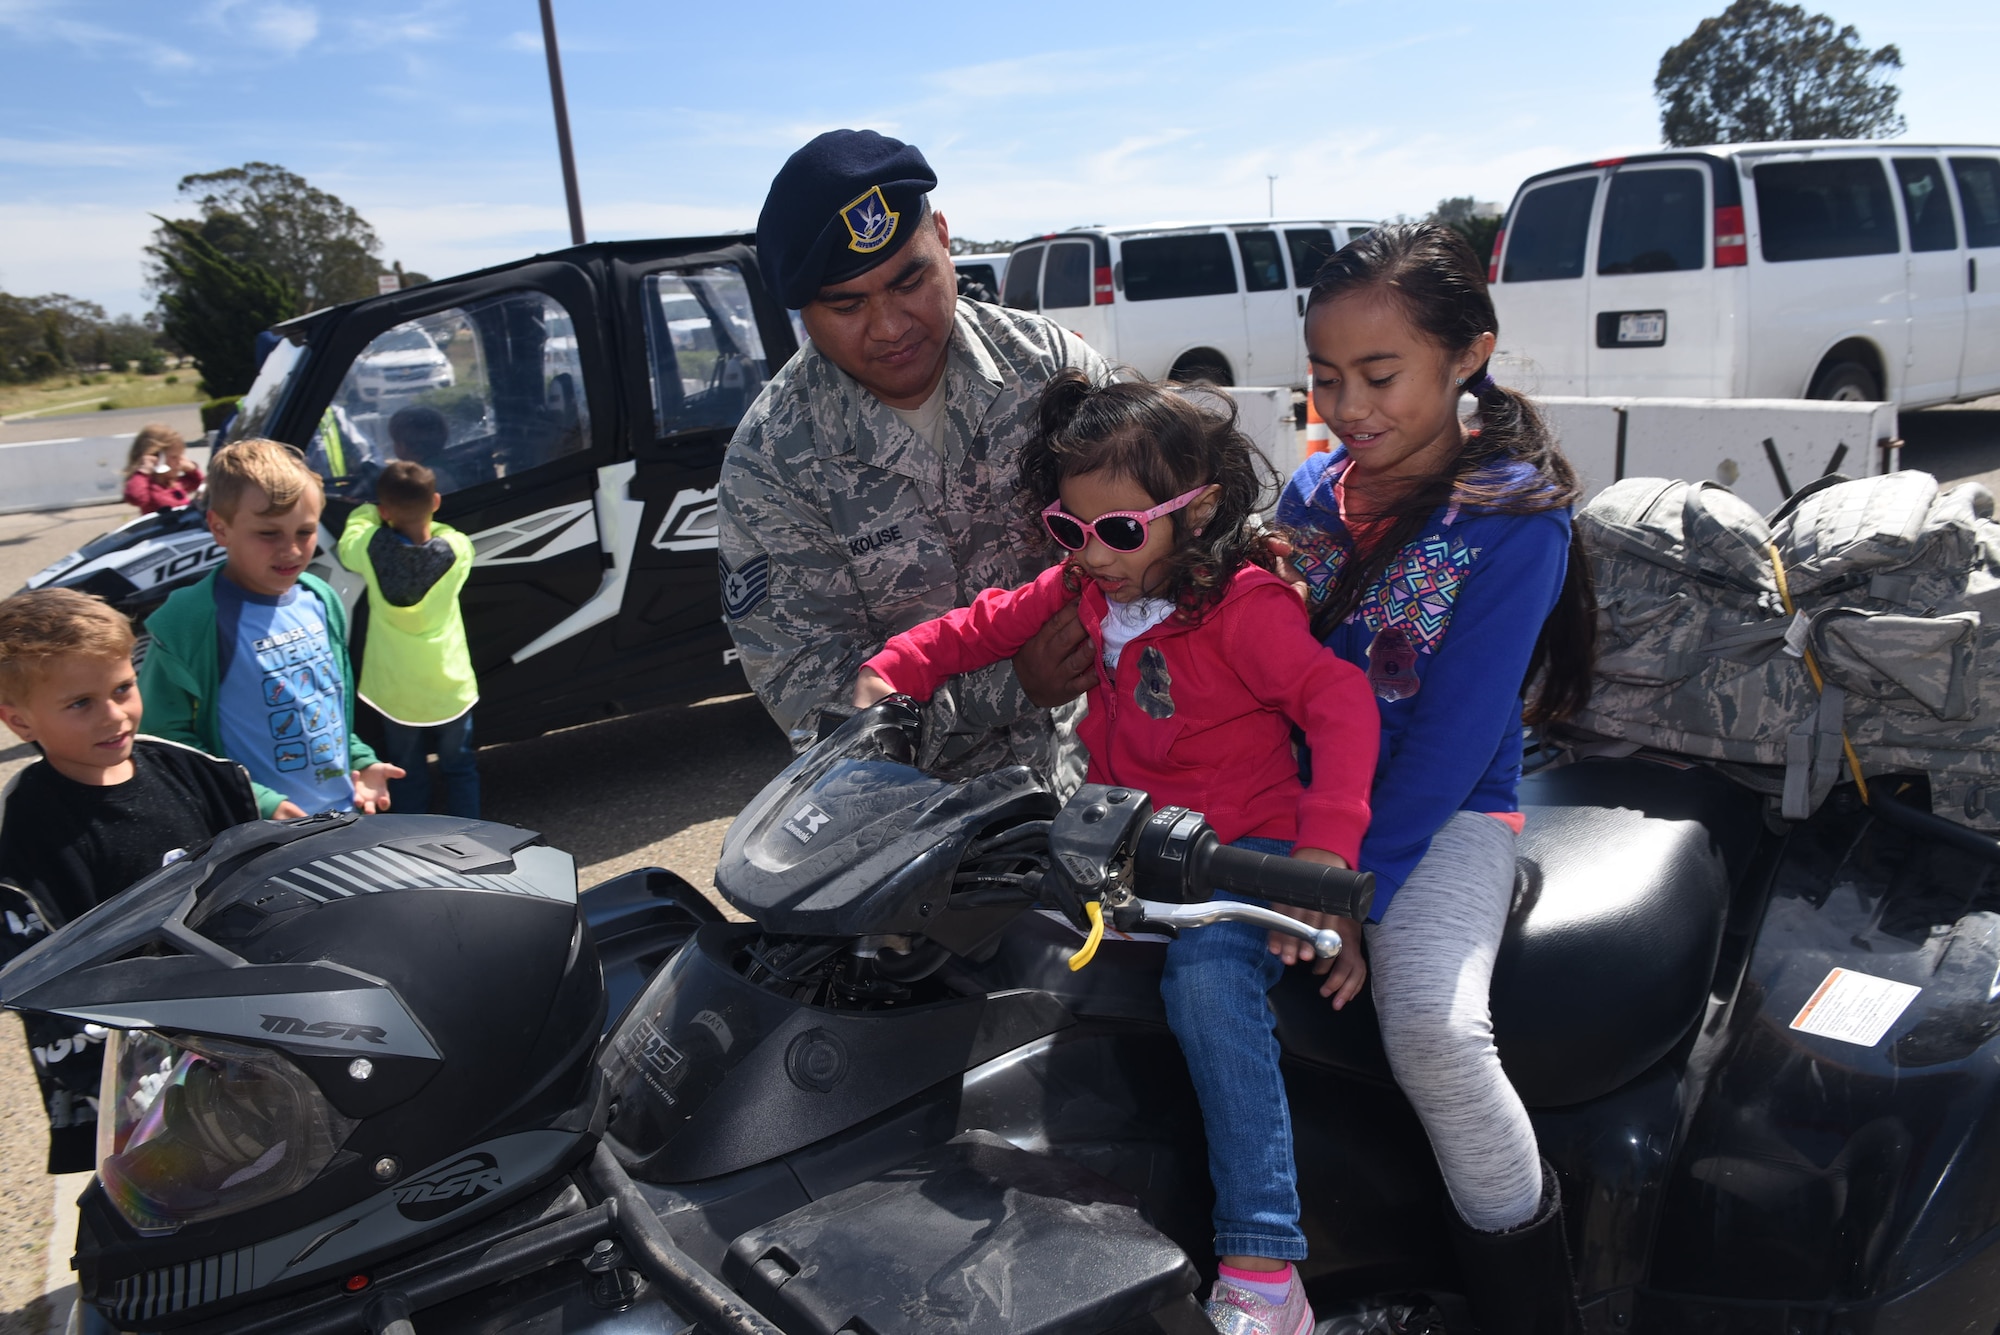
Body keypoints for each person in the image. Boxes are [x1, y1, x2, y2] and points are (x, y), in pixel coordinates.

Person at [1189, 222, 1587, 1334]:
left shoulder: (1514, 521)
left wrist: (1341, 889)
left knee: (1432, 1033)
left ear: (1467, 356)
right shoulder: (1312, 493)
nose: (1347, 408)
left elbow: (1455, 739)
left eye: (1378, 376)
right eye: (1323, 379)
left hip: (1438, 815)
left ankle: (1530, 1309)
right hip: (1287, 796)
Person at [718, 129, 1109, 786]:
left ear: (946, 241)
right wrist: (1012, 684)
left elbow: (1161, 501)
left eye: (911, 280)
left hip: (1099, 793)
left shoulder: (1047, 368)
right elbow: (823, 715)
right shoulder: (773, 464)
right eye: (847, 304)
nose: (892, 326)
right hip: (929, 850)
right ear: (803, 312)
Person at [0, 588, 259, 1171]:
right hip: (144, 1090)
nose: (115, 715)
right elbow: (46, 989)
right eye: (80, 703)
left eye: (122, 689)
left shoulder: (190, 773)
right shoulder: (32, 836)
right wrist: (134, 1080)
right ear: (19, 721)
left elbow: (253, 879)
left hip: (245, 1042)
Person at [137, 438, 404, 818]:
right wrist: (256, 800)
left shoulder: (321, 598)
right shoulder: (190, 618)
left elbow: (323, 705)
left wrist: (361, 760)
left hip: (346, 817)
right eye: (268, 533)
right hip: (254, 835)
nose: (292, 550)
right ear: (219, 527)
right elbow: (164, 742)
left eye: (304, 532)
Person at [336, 459, 480, 817]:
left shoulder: (370, 547)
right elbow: (445, 532)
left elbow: (350, 537)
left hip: (396, 692)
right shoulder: (458, 548)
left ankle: (415, 838)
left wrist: (372, 510)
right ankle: (473, 835)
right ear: (435, 501)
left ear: (385, 510)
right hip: (449, 687)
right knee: (460, 767)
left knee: (406, 770)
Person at [120, 423, 203, 513]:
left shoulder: (174, 483)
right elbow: (135, 498)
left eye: (181, 456)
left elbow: (198, 483)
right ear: (157, 457)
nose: (180, 461)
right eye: (174, 457)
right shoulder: (151, 488)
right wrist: (144, 471)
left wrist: (192, 470)